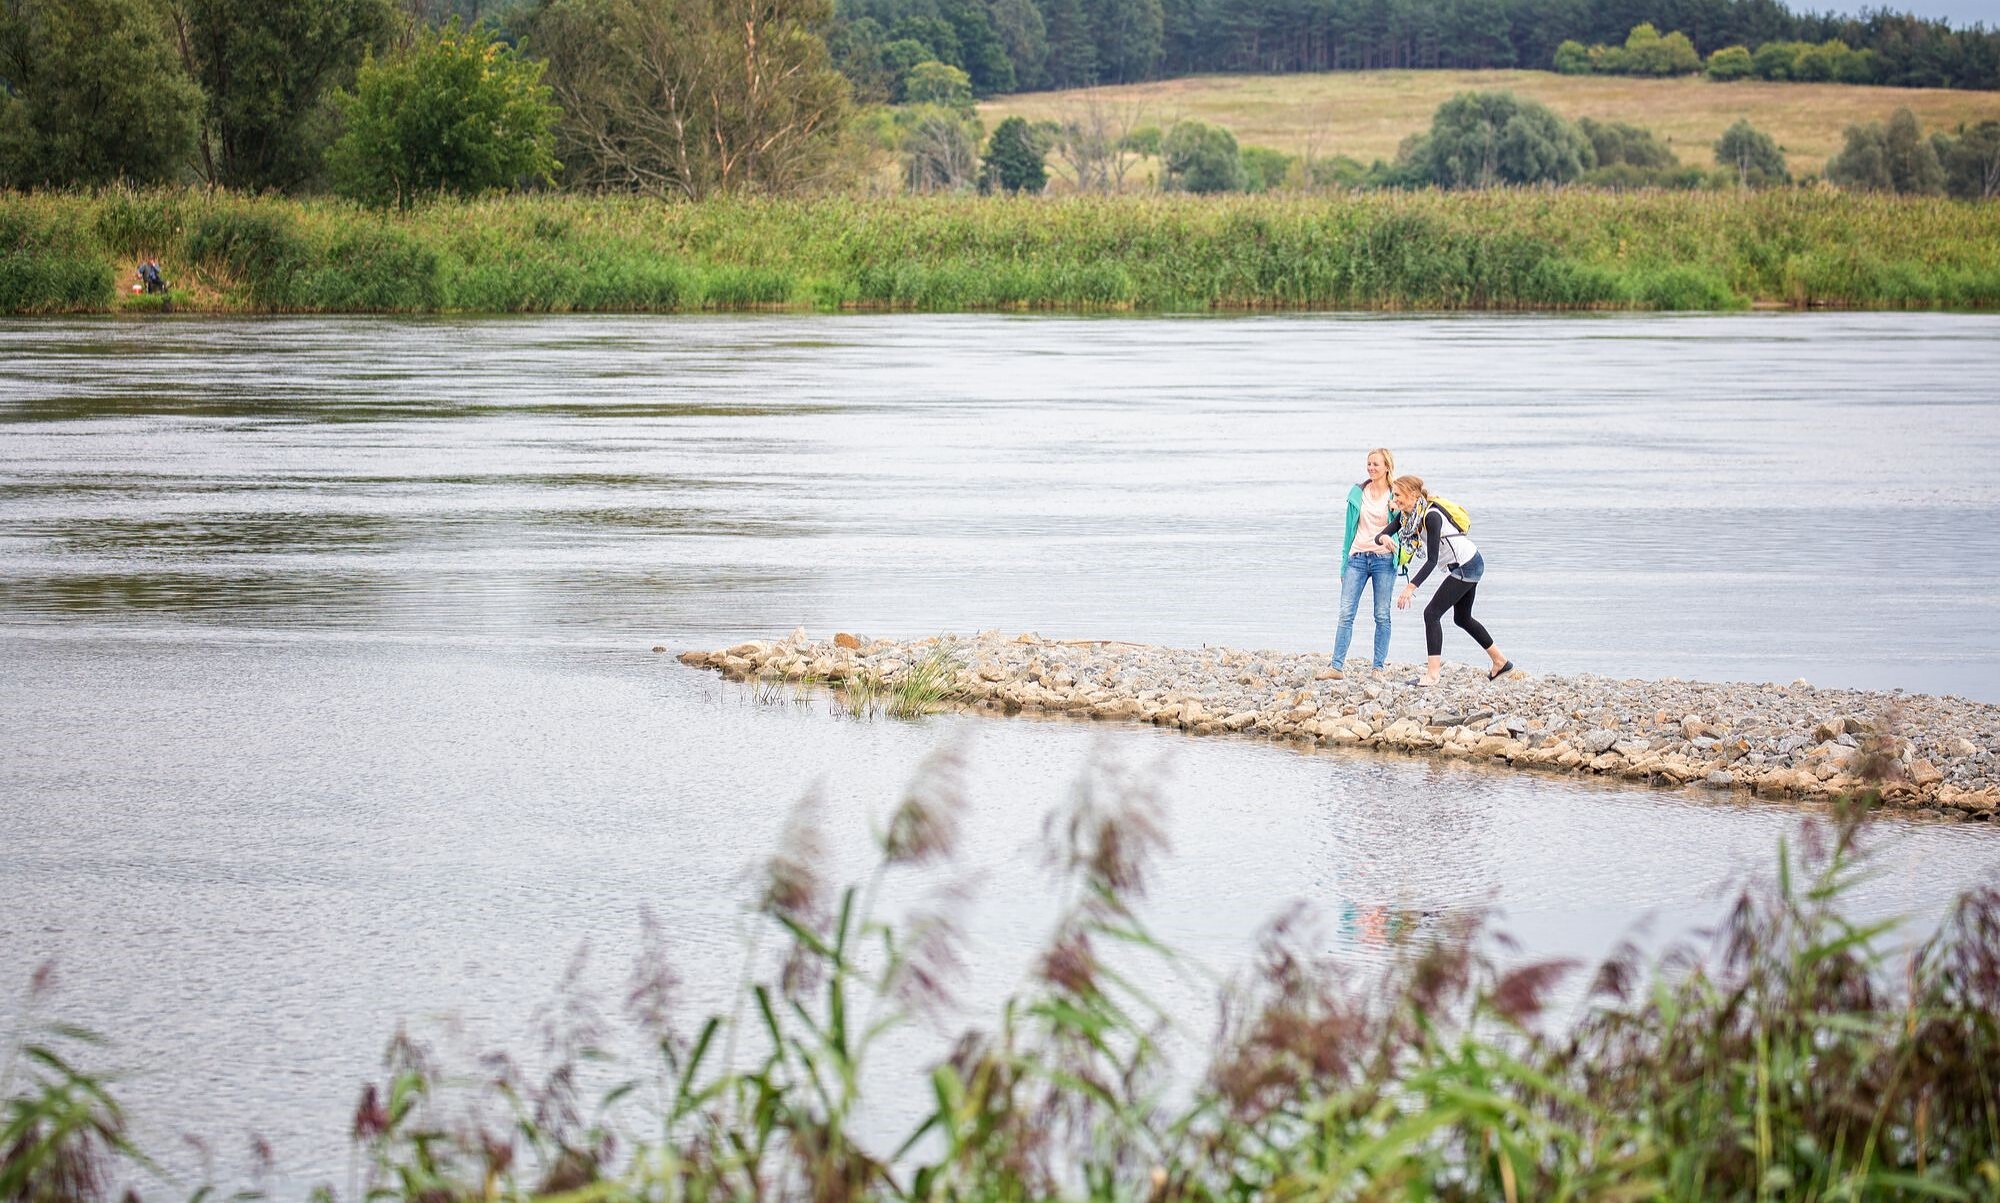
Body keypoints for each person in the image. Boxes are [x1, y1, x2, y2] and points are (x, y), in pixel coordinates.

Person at [1384, 474, 1514, 688]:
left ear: (1413, 494)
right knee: (1462, 618)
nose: (1394, 499)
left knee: (1431, 613)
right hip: (1466, 563)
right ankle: (1500, 661)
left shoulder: (1431, 516)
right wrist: (1385, 538)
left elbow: (1432, 560)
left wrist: (1410, 587)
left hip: (1468, 564)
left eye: (1398, 495)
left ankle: (1432, 675)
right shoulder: (1407, 517)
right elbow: (1382, 534)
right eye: (1393, 495)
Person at [1326, 447, 1398, 679]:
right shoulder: (1357, 493)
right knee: (1346, 613)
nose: (1371, 468)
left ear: (1387, 467)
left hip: (1384, 560)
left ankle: (1378, 668)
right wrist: (1343, 564)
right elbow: (1348, 531)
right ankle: (1336, 667)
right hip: (1357, 558)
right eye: (1369, 463)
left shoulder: (1395, 495)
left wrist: (1398, 512)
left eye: (1376, 464)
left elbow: (1407, 526)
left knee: (1382, 615)